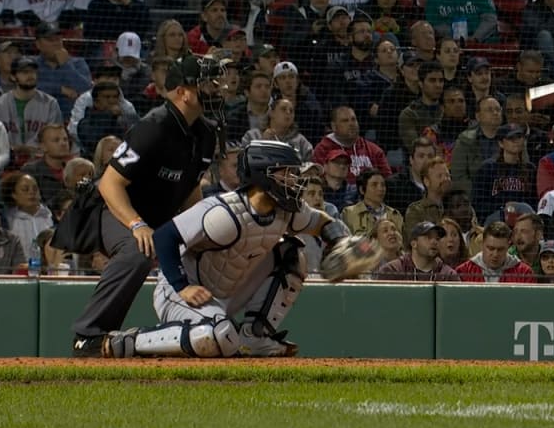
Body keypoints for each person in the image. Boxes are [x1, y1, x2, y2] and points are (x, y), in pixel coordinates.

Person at [101, 140, 367, 358]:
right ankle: (131, 341)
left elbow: (320, 221)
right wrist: (182, 286)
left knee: (292, 254)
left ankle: (255, 337)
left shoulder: (287, 210)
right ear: (264, 175)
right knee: (217, 338)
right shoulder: (221, 212)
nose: (295, 181)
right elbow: (164, 238)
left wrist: (340, 241)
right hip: (183, 294)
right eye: (287, 173)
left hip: (229, 292)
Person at [70, 55, 224, 357]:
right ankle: (88, 336)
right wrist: (136, 224)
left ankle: (211, 329)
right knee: (138, 250)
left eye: (214, 82)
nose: (214, 89)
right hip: (111, 209)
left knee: (210, 247)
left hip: (157, 217)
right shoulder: (153, 126)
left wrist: (201, 231)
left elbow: (191, 189)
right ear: (182, 92)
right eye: (205, 83)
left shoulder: (206, 133)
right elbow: (109, 184)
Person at [375, 221, 460, 281]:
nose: (434, 242)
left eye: (437, 239)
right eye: (428, 237)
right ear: (414, 243)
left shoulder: (448, 275)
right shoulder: (392, 271)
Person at [456, 221, 536, 283]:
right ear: (483, 244)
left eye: (500, 249)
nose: (495, 254)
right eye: (490, 248)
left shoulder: (524, 273)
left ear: (508, 246)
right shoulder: (464, 271)